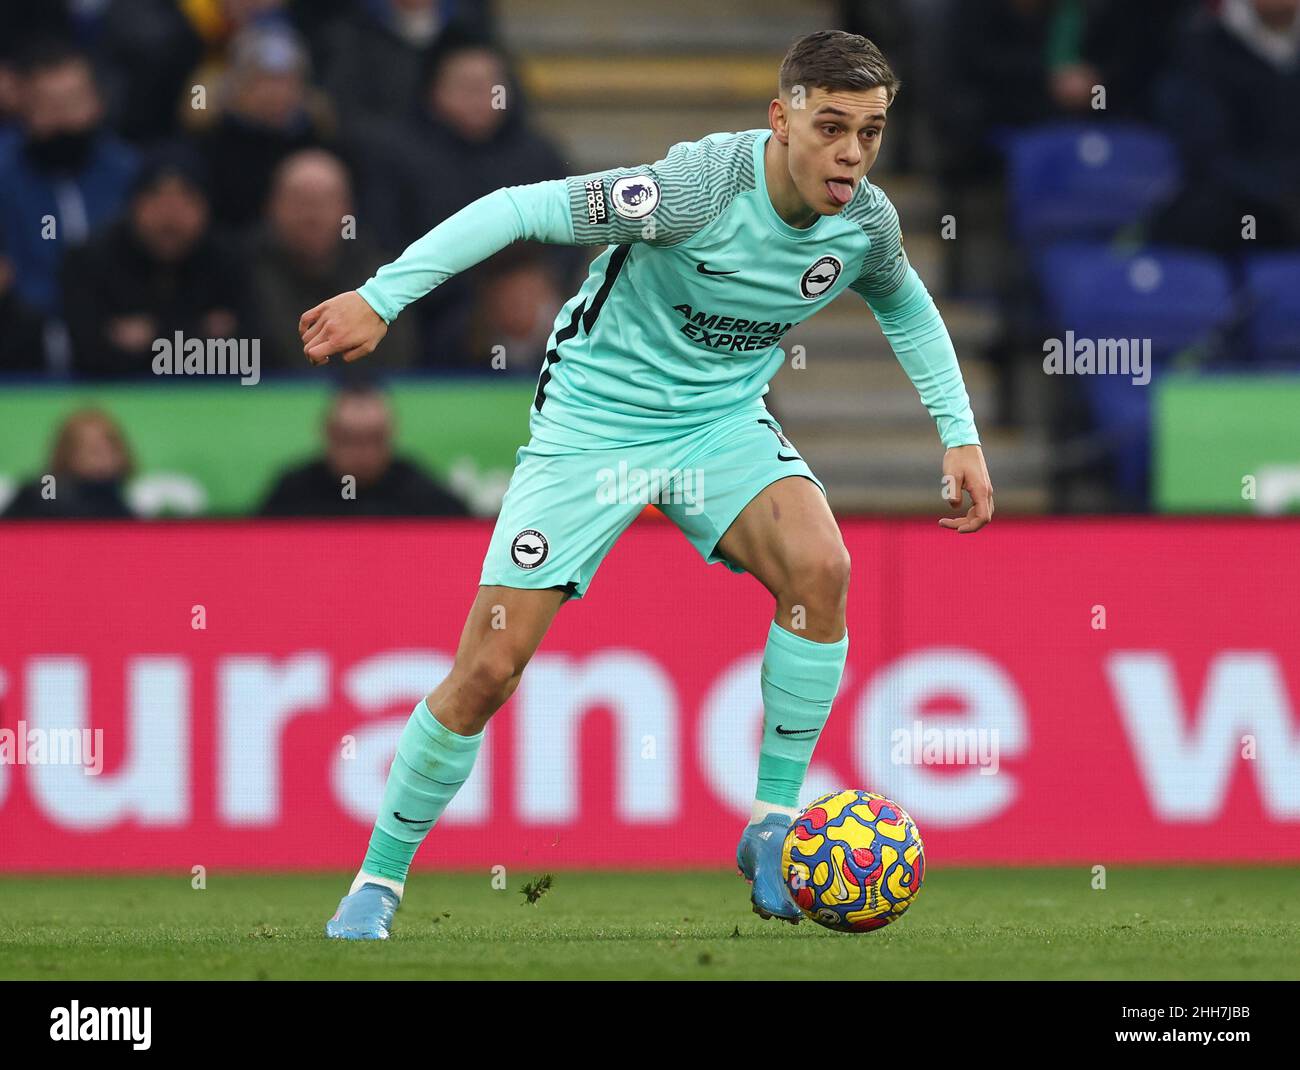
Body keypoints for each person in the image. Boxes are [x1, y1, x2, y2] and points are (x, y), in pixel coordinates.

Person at [302, 30, 994, 940]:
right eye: (832, 128)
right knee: (489, 668)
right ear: (780, 120)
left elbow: (904, 300)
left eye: (870, 133)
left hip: (717, 426)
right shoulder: (694, 190)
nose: (853, 155)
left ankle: (772, 825)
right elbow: (518, 208)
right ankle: (378, 882)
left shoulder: (862, 222)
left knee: (821, 569)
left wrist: (961, 435)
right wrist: (381, 296)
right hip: (594, 425)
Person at [62, 145, 247, 378]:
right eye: (156, 198)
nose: (170, 216)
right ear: (133, 205)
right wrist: (200, 334)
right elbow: (89, 354)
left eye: (186, 199)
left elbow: (247, 353)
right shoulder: (89, 261)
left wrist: (149, 338)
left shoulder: (229, 260)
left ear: (206, 208)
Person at [246, 149, 417, 372]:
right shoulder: (242, 274)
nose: (311, 215)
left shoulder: (381, 276)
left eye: (325, 201)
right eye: (299, 200)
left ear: (348, 209)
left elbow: (398, 360)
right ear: (271, 206)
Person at [258, 384, 469, 516]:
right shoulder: (293, 493)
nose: (364, 453)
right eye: (350, 439)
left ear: (391, 434)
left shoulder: (422, 495)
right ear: (327, 434)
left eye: (374, 439)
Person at [2, 408, 136, 519]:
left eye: (111, 447)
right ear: (67, 453)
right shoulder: (38, 498)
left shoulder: (119, 508)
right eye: (93, 450)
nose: (105, 457)